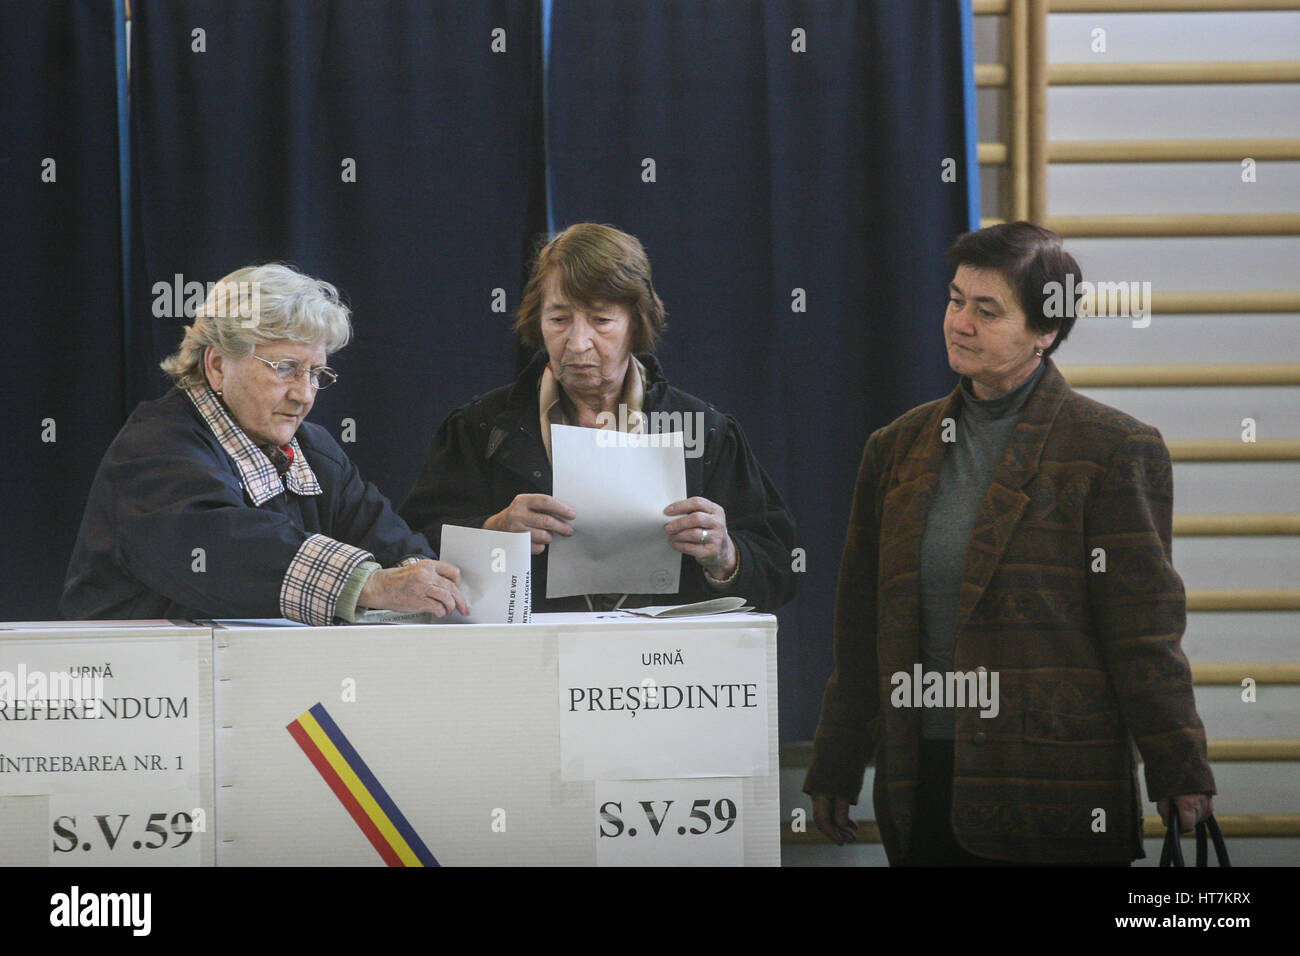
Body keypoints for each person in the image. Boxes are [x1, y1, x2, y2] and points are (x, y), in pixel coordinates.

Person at [804, 222, 1216, 865]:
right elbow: (860, 625)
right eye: (955, 298)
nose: (958, 321)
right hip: (922, 782)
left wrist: (1179, 765)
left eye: (987, 310)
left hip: (1054, 784)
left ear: (1045, 331)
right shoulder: (895, 448)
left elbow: (1144, 631)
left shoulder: (1111, 450)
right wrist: (836, 761)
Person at [399, 223, 797, 613]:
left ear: (637, 322)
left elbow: (779, 571)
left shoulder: (703, 431)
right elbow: (408, 550)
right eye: (558, 319)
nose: (577, 341)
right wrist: (492, 530)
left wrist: (725, 555)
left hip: (667, 667)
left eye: (601, 320)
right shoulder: (482, 428)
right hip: (527, 662)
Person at [62, 264, 467, 625]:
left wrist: (423, 581)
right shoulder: (154, 448)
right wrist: (370, 585)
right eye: (286, 369)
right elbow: (223, 551)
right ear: (218, 365)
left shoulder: (315, 450)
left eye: (316, 373)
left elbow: (390, 540)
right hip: (144, 693)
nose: (305, 395)